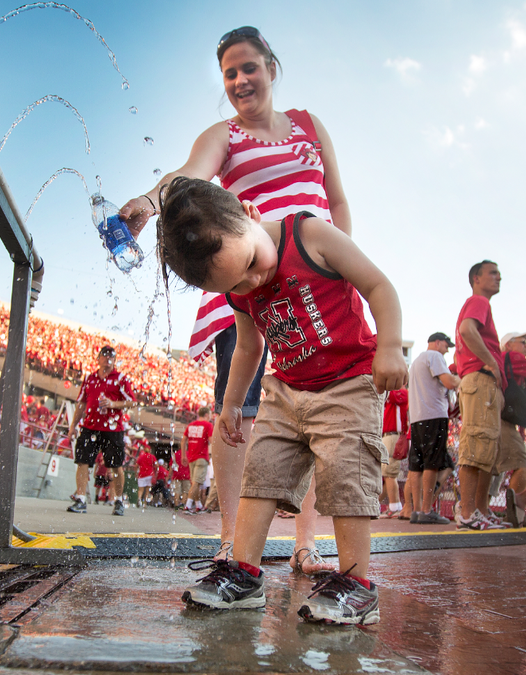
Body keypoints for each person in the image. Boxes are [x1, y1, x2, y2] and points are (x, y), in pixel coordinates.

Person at [118, 26, 351, 575]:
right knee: (237, 409)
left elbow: (337, 199)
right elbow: (186, 176)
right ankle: (230, 539)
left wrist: (345, 267)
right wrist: (150, 202)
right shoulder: (222, 134)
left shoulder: (310, 125)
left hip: (316, 275)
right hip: (248, 275)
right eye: (229, 73)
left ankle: (305, 543)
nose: (241, 80)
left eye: (249, 67)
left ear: (271, 66)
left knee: (322, 409)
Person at [158, 177, 407, 625]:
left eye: (252, 262)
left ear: (250, 214)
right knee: (261, 473)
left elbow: (379, 287)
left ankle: (355, 584)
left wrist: (389, 346)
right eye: (238, 282)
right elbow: (249, 348)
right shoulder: (239, 286)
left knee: (347, 477)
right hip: (288, 388)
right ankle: (244, 573)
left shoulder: (309, 235)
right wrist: (231, 404)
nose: (254, 281)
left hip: (348, 381)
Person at [453, 261, 508, 530]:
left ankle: (479, 511)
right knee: (477, 446)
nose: (499, 277)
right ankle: (468, 512)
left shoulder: (480, 303)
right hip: (480, 379)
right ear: (476, 278)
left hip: (482, 381)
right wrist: (491, 363)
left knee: (486, 448)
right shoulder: (478, 301)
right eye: (493, 273)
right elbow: (466, 329)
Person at [67, 345, 136, 516]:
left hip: (112, 429)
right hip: (90, 427)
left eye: (111, 356)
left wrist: (113, 404)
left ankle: (118, 500)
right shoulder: (90, 379)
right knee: (82, 461)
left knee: (116, 465)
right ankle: (81, 499)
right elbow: (81, 403)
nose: (107, 358)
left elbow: (132, 402)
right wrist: (73, 426)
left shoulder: (121, 379)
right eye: (104, 355)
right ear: (98, 359)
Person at [407, 332, 460, 525]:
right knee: (432, 463)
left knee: (417, 465)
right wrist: (460, 380)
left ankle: (416, 510)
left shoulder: (416, 363)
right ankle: (427, 510)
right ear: (437, 343)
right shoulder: (435, 356)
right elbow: (449, 382)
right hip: (434, 415)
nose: (447, 350)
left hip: (417, 418)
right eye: (446, 345)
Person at [495, 330, 526, 528]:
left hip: (499, 416)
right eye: (523, 342)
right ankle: (516, 512)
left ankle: (481, 510)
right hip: (505, 420)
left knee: (494, 468)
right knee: (523, 463)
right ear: (509, 344)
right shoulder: (512, 356)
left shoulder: (504, 358)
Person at [379, 388, 408, 519]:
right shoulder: (393, 396)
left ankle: (395, 506)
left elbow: (389, 394)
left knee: (389, 473)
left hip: (392, 435)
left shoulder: (400, 393)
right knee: (386, 473)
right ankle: (390, 505)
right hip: (387, 436)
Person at [182, 406, 214, 513]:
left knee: (194, 483)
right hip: (201, 457)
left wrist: (183, 455)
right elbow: (212, 440)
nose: (210, 417)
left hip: (191, 457)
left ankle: (198, 504)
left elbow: (183, 440)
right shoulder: (208, 425)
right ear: (206, 415)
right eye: (209, 414)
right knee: (196, 483)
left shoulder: (191, 425)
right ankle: (188, 505)